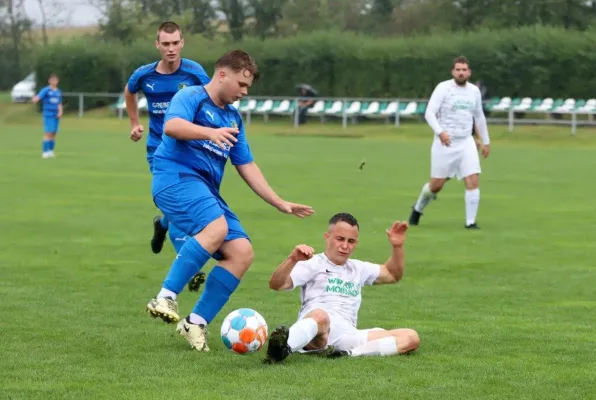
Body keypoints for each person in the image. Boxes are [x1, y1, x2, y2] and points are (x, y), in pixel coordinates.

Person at [146, 49, 315, 352]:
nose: (244, 92)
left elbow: (247, 165)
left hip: (205, 189)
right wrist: (209, 133)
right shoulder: (192, 96)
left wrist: (279, 202)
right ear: (222, 74)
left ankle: (195, 322)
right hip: (175, 178)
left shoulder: (233, 117)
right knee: (217, 227)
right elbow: (172, 127)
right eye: (241, 84)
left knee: (242, 252)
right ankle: (165, 296)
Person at [264, 213, 419, 363]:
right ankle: (282, 348)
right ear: (327, 237)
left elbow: (392, 274)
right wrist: (292, 259)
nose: (345, 246)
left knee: (410, 337)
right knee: (320, 316)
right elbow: (276, 284)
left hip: (347, 336)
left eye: (351, 241)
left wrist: (397, 246)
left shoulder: (358, 268)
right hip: (317, 332)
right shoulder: (313, 263)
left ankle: (347, 354)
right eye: (340, 239)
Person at [125, 21, 211, 265]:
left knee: (183, 204)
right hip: (158, 150)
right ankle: (189, 265)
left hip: (191, 149)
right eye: (165, 44)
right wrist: (134, 123)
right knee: (177, 204)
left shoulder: (195, 73)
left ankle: (161, 225)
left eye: (175, 43)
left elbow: (211, 97)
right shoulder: (144, 75)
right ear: (157, 45)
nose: (171, 49)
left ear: (182, 43)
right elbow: (129, 91)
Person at [408, 56, 491, 229]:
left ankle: (470, 223)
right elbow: (429, 113)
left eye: (464, 70)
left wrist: (485, 141)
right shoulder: (443, 88)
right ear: (453, 71)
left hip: (466, 142)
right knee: (436, 186)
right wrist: (441, 133)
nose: (461, 73)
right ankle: (418, 208)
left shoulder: (474, 91)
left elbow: (479, 116)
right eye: (458, 70)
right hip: (445, 143)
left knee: (473, 180)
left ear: (469, 72)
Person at [32, 73, 62, 159]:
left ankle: (51, 151)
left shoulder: (58, 91)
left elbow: (59, 103)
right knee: (48, 133)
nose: (54, 82)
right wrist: (34, 99)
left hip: (56, 115)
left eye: (56, 80)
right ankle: (45, 152)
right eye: (53, 80)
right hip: (48, 114)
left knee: (54, 133)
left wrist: (60, 112)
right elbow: (38, 98)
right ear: (49, 81)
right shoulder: (46, 90)